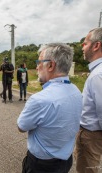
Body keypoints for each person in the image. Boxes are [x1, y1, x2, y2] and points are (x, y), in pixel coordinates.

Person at [17, 43, 82, 173]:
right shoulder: (76, 91)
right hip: (65, 160)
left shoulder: (39, 99)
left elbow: (21, 127)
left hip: (41, 165)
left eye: (39, 62)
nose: (36, 67)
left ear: (51, 65)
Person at [75, 27, 102, 173]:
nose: (82, 48)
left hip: (92, 136)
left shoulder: (98, 74)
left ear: (96, 45)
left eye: (84, 44)